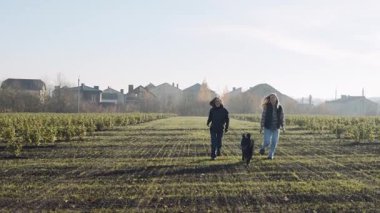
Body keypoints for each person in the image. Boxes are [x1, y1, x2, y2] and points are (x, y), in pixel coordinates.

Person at [259, 93, 285, 160]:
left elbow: (282, 117)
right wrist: (261, 126)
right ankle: (263, 148)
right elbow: (263, 116)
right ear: (269, 100)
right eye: (271, 98)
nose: (272, 99)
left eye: (274, 98)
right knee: (267, 142)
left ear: (276, 99)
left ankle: (270, 155)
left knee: (274, 142)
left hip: (276, 127)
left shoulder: (280, 107)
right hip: (268, 127)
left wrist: (283, 126)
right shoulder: (266, 107)